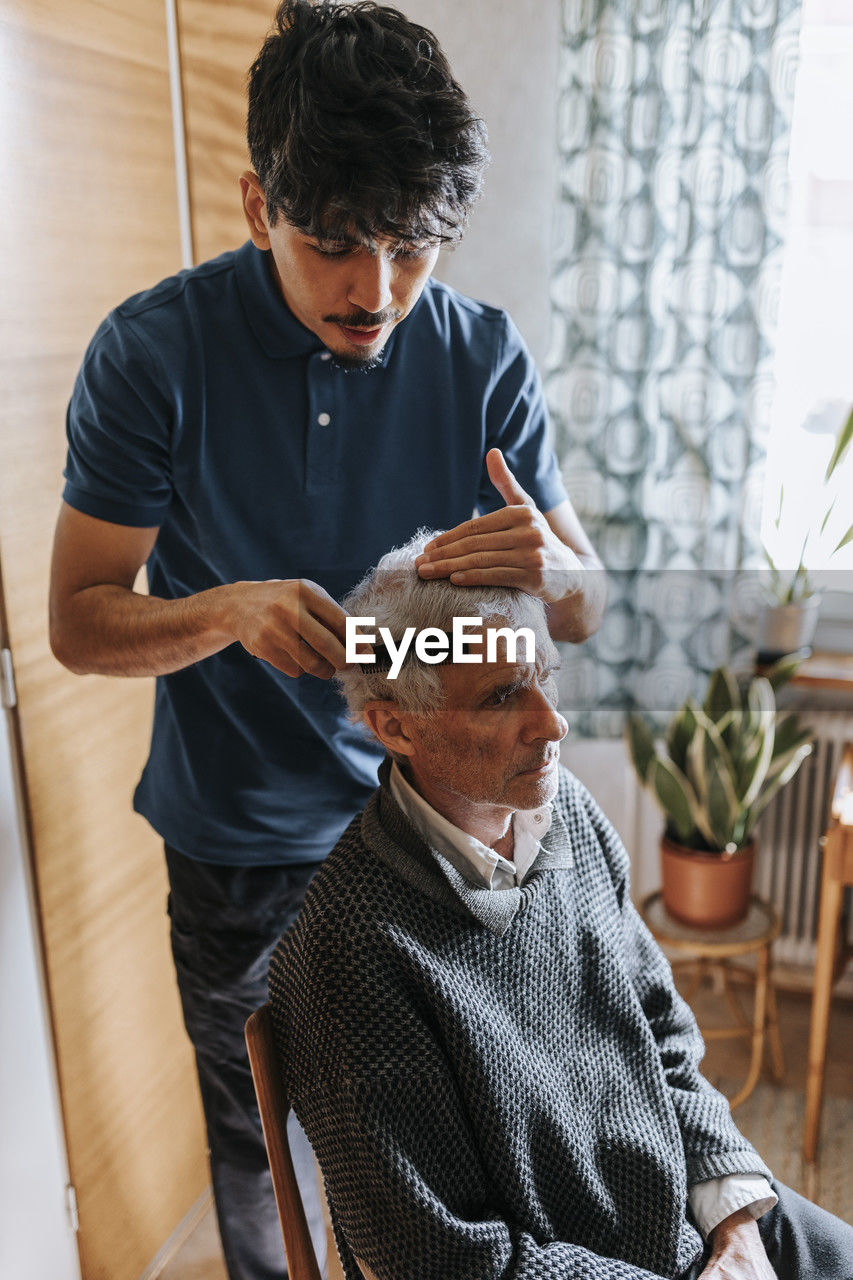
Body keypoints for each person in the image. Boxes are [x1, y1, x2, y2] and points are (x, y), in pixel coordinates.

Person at [48, 3, 605, 1278]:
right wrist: (226, 611)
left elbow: (585, 602)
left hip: (432, 825)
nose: (375, 291)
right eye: (334, 244)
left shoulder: (479, 354)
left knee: (452, 1148)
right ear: (258, 207)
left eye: (411, 248)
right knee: (263, 1154)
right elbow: (78, 619)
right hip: (240, 847)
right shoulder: (153, 356)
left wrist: (553, 568)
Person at [269, 532, 853, 1280]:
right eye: (502, 695)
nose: (552, 724)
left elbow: (663, 1030)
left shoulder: (566, 813)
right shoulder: (348, 951)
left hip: (690, 1225)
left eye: (545, 675)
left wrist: (736, 1227)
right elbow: (439, 1260)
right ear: (394, 724)